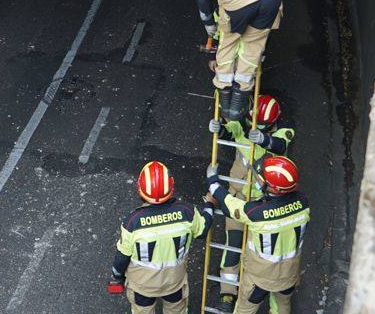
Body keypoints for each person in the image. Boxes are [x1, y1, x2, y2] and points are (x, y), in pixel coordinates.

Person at [206, 95, 294, 312]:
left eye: (264, 126)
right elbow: (229, 129)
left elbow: (280, 144)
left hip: (263, 203)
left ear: (274, 121)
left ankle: (257, 288)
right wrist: (218, 127)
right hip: (237, 196)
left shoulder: (284, 132)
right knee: (233, 244)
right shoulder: (242, 126)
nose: (254, 128)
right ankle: (227, 293)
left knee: (259, 251)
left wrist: (264, 139)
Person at [205, 155, 309, 314]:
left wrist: (212, 180)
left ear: (273, 188)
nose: (258, 180)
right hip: (289, 275)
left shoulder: (256, 213)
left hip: (260, 279)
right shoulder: (303, 202)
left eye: (260, 179)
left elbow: (228, 204)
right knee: (282, 307)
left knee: (245, 309)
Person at [111, 161, 215, 313]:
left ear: (140, 189)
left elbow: (121, 257)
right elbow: (203, 230)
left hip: (143, 287)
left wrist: (117, 276)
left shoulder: (132, 222)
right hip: (174, 283)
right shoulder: (187, 212)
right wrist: (210, 205)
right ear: (171, 187)